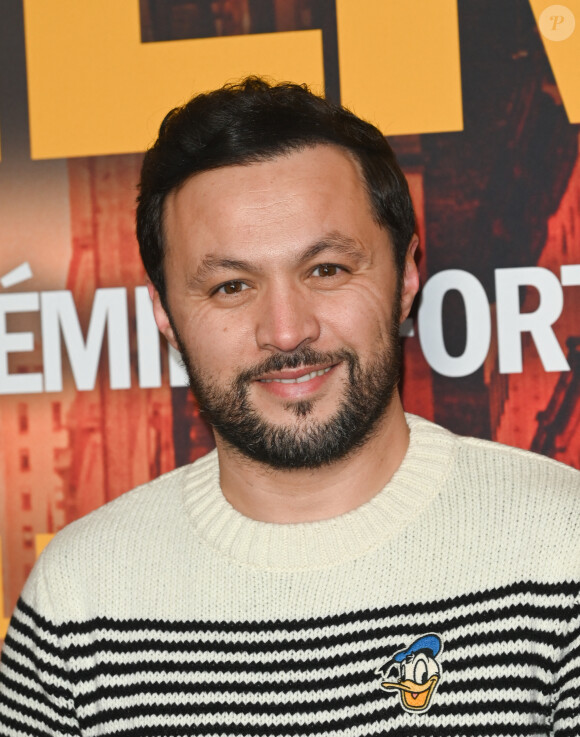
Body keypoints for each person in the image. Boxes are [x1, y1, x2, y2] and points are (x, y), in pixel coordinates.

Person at [1, 77, 579, 737]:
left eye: (326, 269)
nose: (285, 329)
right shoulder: (77, 604)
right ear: (165, 315)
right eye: (230, 285)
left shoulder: (562, 546)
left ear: (407, 275)